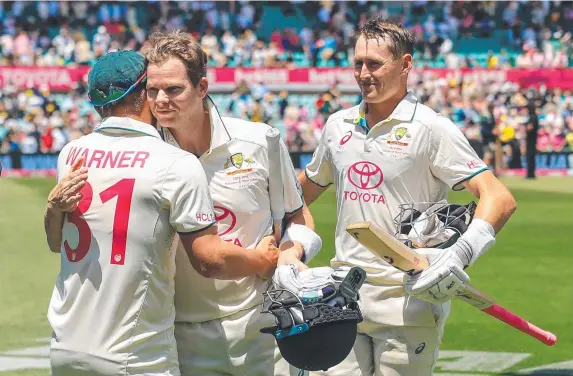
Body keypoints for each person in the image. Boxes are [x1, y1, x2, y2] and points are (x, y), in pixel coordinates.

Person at [297, 18, 517, 376]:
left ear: (406, 65)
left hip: (407, 300)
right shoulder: (337, 125)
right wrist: (290, 249)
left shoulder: (431, 128)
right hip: (343, 295)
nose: (364, 74)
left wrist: (461, 253)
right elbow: (300, 194)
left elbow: (499, 197)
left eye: (374, 64)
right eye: (358, 64)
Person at [44, 50, 280, 376]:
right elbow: (209, 258)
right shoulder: (174, 162)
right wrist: (263, 261)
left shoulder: (71, 153)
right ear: (144, 95)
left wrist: (50, 211)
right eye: (153, 89)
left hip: (65, 344)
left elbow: (57, 243)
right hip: (136, 353)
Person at [141, 30, 320, 376]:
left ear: (202, 88)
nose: (161, 99)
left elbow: (298, 216)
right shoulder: (148, 156)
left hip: (263, 325)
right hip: (180, 334)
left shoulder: (259, 141)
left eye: (174, 89)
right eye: (152, 90)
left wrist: (291, 252)